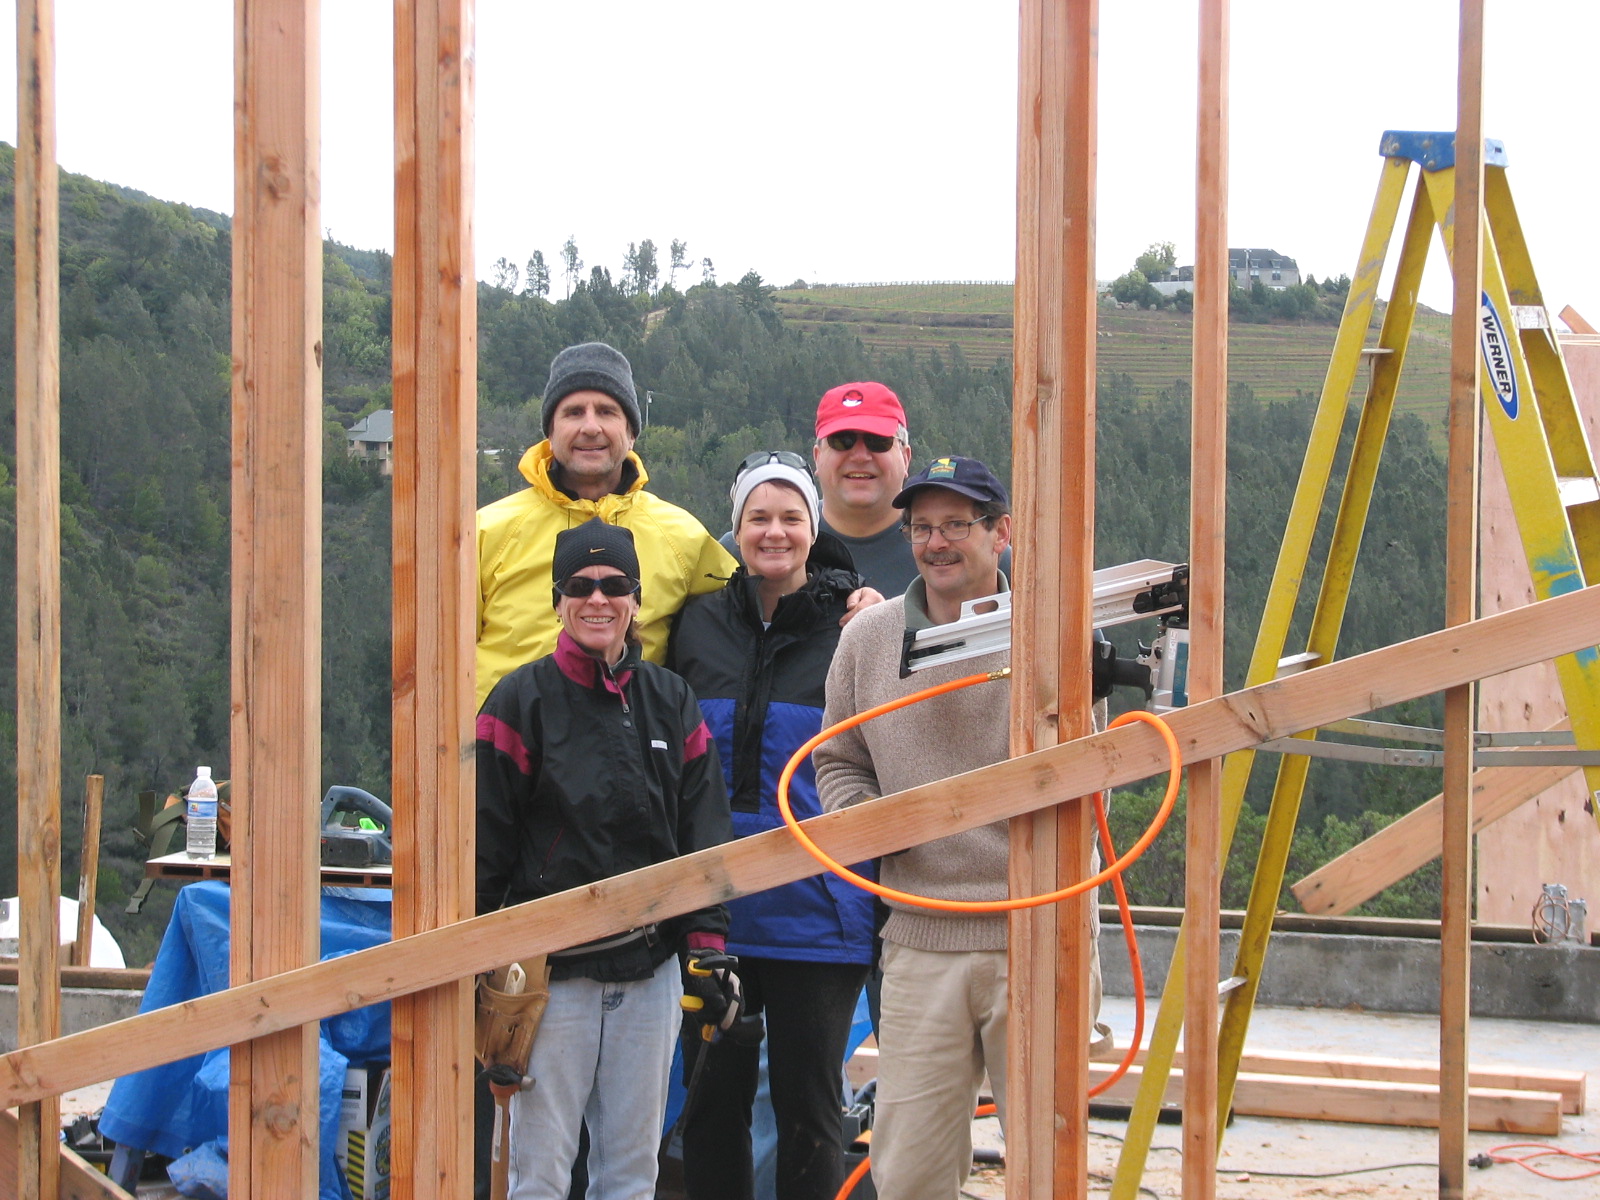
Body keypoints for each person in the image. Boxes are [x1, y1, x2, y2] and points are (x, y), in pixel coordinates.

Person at [814, 456, 1103, 1200]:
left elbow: (1094, 768)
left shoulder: (1053, 632)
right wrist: (867, 823)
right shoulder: (869, 640)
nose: (936, 543)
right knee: (909, 1171)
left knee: (1048, 1166)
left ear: (1001, 533)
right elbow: (838, 759)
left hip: (1038, 929)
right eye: (921, 528)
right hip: (920, 937)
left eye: (955, 525)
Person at [476, 519, 736, 1200]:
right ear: (557, 600)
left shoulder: (671, 699)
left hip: (651, 971)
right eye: (580, 585)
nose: (598, 599)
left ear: (636, 599)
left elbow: (703, 831)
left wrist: (707, 946)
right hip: (549, 979)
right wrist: (475, 966)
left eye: (615, 584)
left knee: (631, 1175)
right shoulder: (518, 700)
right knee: (538, 1173)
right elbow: (485, 843)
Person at [669, 452, 882, 1200]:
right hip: (714, 908)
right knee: (710, 1107)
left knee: (810, 1111)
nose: (775, 532)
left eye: (792, 517)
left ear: (813, 528)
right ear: (735, 529)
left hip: (820, 907)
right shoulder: (697, 624)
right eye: (758, 517)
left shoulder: (856, 627)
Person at [476, 340, 735, 708]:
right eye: (573, 412)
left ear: (631, 432)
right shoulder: (485, 532)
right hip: (502, 740)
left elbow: (751, 617)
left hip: (631, 740)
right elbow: (435, 654)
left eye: (607, 412)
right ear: (550, 430)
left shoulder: (685, 538)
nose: (590, 427)